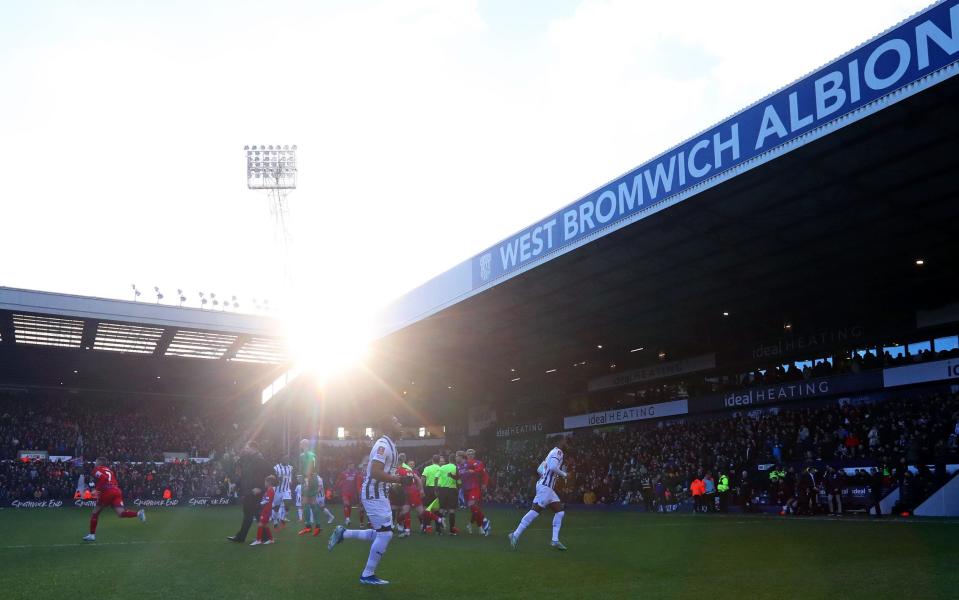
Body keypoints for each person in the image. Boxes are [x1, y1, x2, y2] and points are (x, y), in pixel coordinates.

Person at [328, 415, 413, 586]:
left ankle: (343, 533)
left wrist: (396, 483)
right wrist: (398, 480)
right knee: (386, 534)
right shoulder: (383, 445)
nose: (401, 424)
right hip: (374, 494)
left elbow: (383, 473)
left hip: (380, 493)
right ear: (389, 427)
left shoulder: (391, 445)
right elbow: (375, 471)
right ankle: (367, 574)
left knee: (382, 533)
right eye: (396, 422)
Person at [508, 437, 568, 551]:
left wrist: (546, 476)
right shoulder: (558, 452)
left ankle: (555, 540)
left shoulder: (551, 453)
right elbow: (553, 467)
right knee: (535, 512)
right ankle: (515, 535)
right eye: (565, 441)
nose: (566, 443)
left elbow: (540, 469)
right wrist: (564, 474)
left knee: (560, 512)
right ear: (560, 442)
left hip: (547, 487)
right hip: (546, 488)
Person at [82, 457, 145, 542]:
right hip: (116, 491)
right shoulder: (110, 470)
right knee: (121, 513)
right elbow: (114, 482)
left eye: (96, 461)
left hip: (107, 491)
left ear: (100, 463)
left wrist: (95, 490)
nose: (95, 463)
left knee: (95, 513)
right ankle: (138, 513)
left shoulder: (96, 469)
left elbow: (103, 478)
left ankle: (92, 535)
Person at [227, 442, 270, 544]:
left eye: (247, 448)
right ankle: (264, 537)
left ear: (253, 448)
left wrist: (260, 488)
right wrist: (236, 484)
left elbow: (269, 475)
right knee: (254, 515)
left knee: (251, 515)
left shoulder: (260, 460)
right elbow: (244, 476)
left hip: (254, 492)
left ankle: (243, 537)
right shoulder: (249, 460)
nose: (245, 450)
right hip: (249, 491)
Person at [463, 448, 491, 536]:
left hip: (475, 487)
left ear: (474, 455)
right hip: (465, 489)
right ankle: (472, 525)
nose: (470, 455)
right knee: (474, 509)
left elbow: (485, 474)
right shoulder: (463, 464)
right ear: (466, 455)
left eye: (472, 454)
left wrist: (484, 484)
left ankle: (482, 524)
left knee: (474, 507)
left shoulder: (478, 463)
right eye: (469, 454)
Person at [298, 439, 321, 537]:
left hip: (308, 479)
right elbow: (318, 468)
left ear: (303, 445)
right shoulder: (314, 455)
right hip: (315, 478)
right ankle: (317, 526)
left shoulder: (303, 455)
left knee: (305, 502)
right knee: (313, 503)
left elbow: (304, 468)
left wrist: (303, 478)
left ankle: (308, 526)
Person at [437, 452, 461, 535]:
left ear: (449, 459)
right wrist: (459, 486)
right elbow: (458, 478)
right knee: (451, 510)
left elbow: (437, 478)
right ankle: (452, 531)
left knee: (441, 509)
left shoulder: (443, 467)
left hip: (442, 489)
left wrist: (436, 489)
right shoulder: (456, 467)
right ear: (455, 459)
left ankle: (438, 530)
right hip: (452, 489)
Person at [251, 475, 277, 546]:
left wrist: (259, 504)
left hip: (266, 511)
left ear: (269, 482)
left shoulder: (270, 490)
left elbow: (267, 500)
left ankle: (258, 540)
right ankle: (271, 540)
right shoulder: (269, 490)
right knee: (265, 525)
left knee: (260, 524)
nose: (264, 483)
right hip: (266, 510)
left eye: (265, 482)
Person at [272, 457, 293, 528]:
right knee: (276, 507)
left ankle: (282, 517)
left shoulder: (290, 467)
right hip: (278, 490)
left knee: (287, 503)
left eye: (288, 459)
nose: (287, 460)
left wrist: (290, 481)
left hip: (287, 489)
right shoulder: (276, 468)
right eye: (285, 459)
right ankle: (275, 520)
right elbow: (272, 477)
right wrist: (277, 478)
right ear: (281, 460)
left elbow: (290, 475)